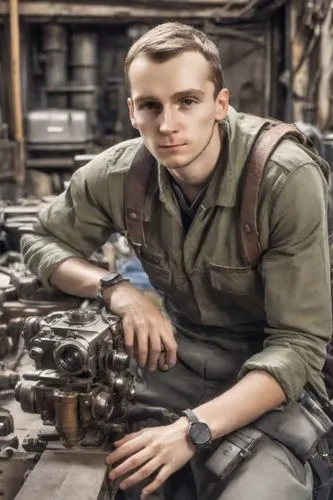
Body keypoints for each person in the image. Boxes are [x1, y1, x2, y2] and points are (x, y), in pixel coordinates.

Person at [21, 22, 332, 500]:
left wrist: (191, 431)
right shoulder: (119, 175)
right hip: (176, 362)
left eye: (187, 101)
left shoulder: (284, 179)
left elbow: (299, 345)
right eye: (151, 106)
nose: (167, 124)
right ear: (132, 111)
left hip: (272, 378)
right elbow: (42, 241)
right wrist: (117, 289)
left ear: (220, 104)